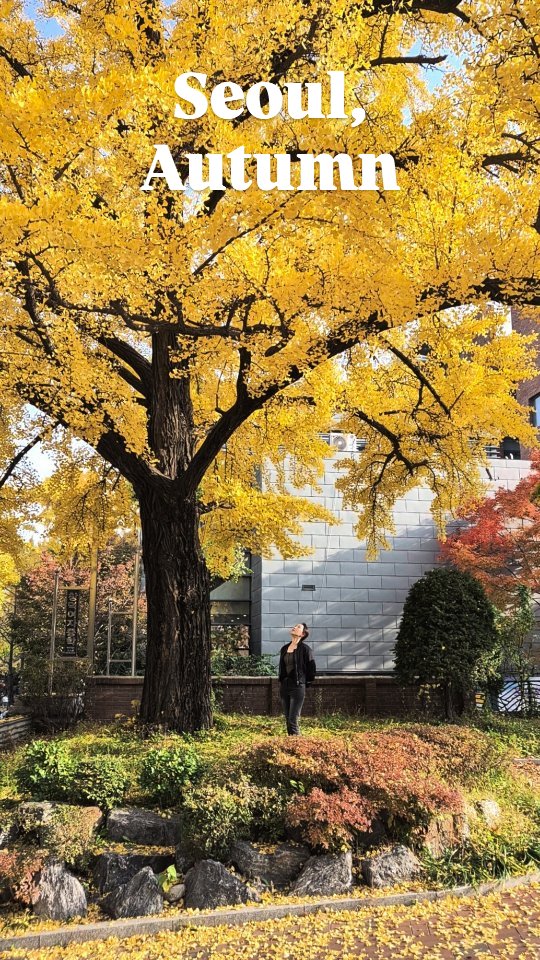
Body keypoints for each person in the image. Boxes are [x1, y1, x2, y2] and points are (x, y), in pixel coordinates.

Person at [278, 623, 316, 736]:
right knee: (287, 719)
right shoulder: (284, 648)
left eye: (298, 627)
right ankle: (290, 744)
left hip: (298, 686)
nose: (294, 627)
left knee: (293, 720)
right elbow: (282, 667)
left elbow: (311, 668)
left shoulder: (305, 649)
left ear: (303, 634)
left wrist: (305, 682)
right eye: (295, 626)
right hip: (285, 686)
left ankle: (297, 747)